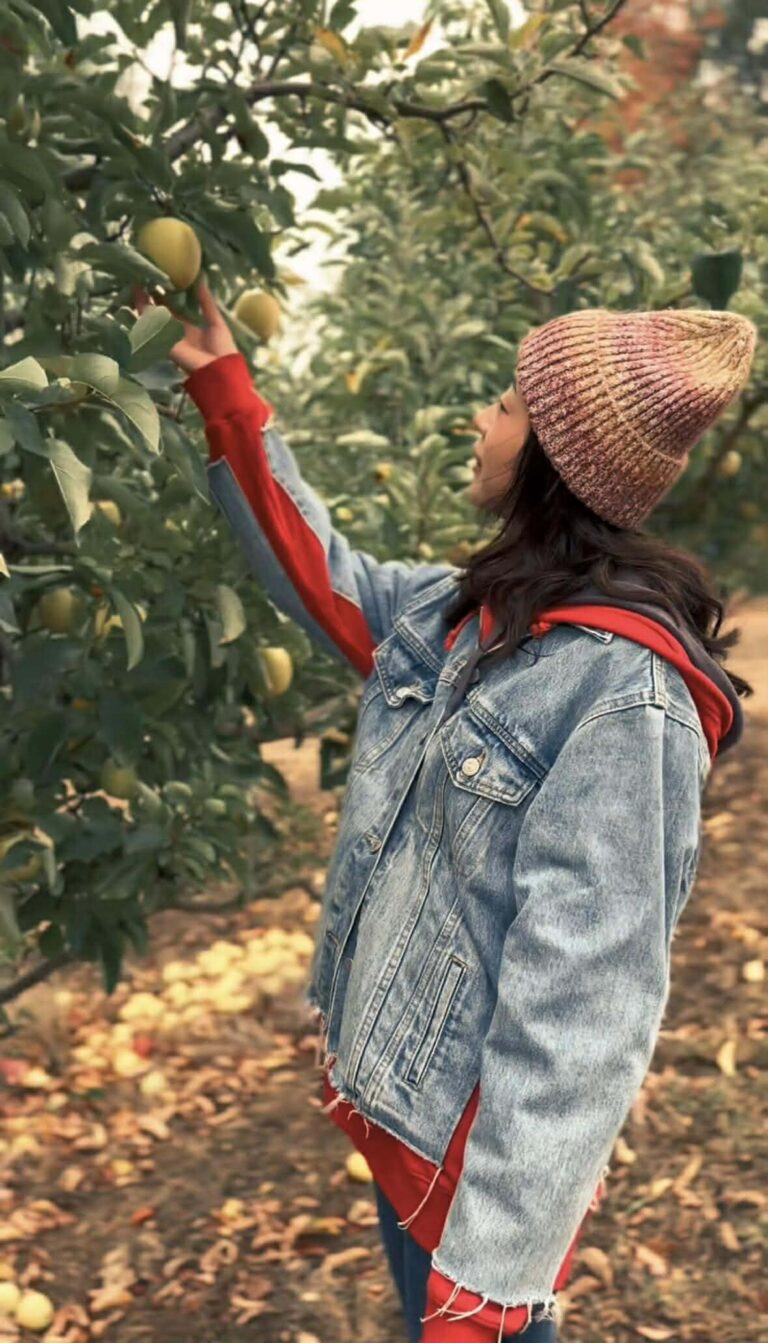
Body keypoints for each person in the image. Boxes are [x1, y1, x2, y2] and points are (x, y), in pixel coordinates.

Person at [134, 282, 757, 1340]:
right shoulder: (468, 615)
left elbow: (584, 1013)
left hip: (478, 1187)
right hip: (404, 1122)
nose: (482, 417)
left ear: (555, 455)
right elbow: (323, 576)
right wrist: (226, 394)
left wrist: (485, 1293)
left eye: (507, 404)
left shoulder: (623, 698)